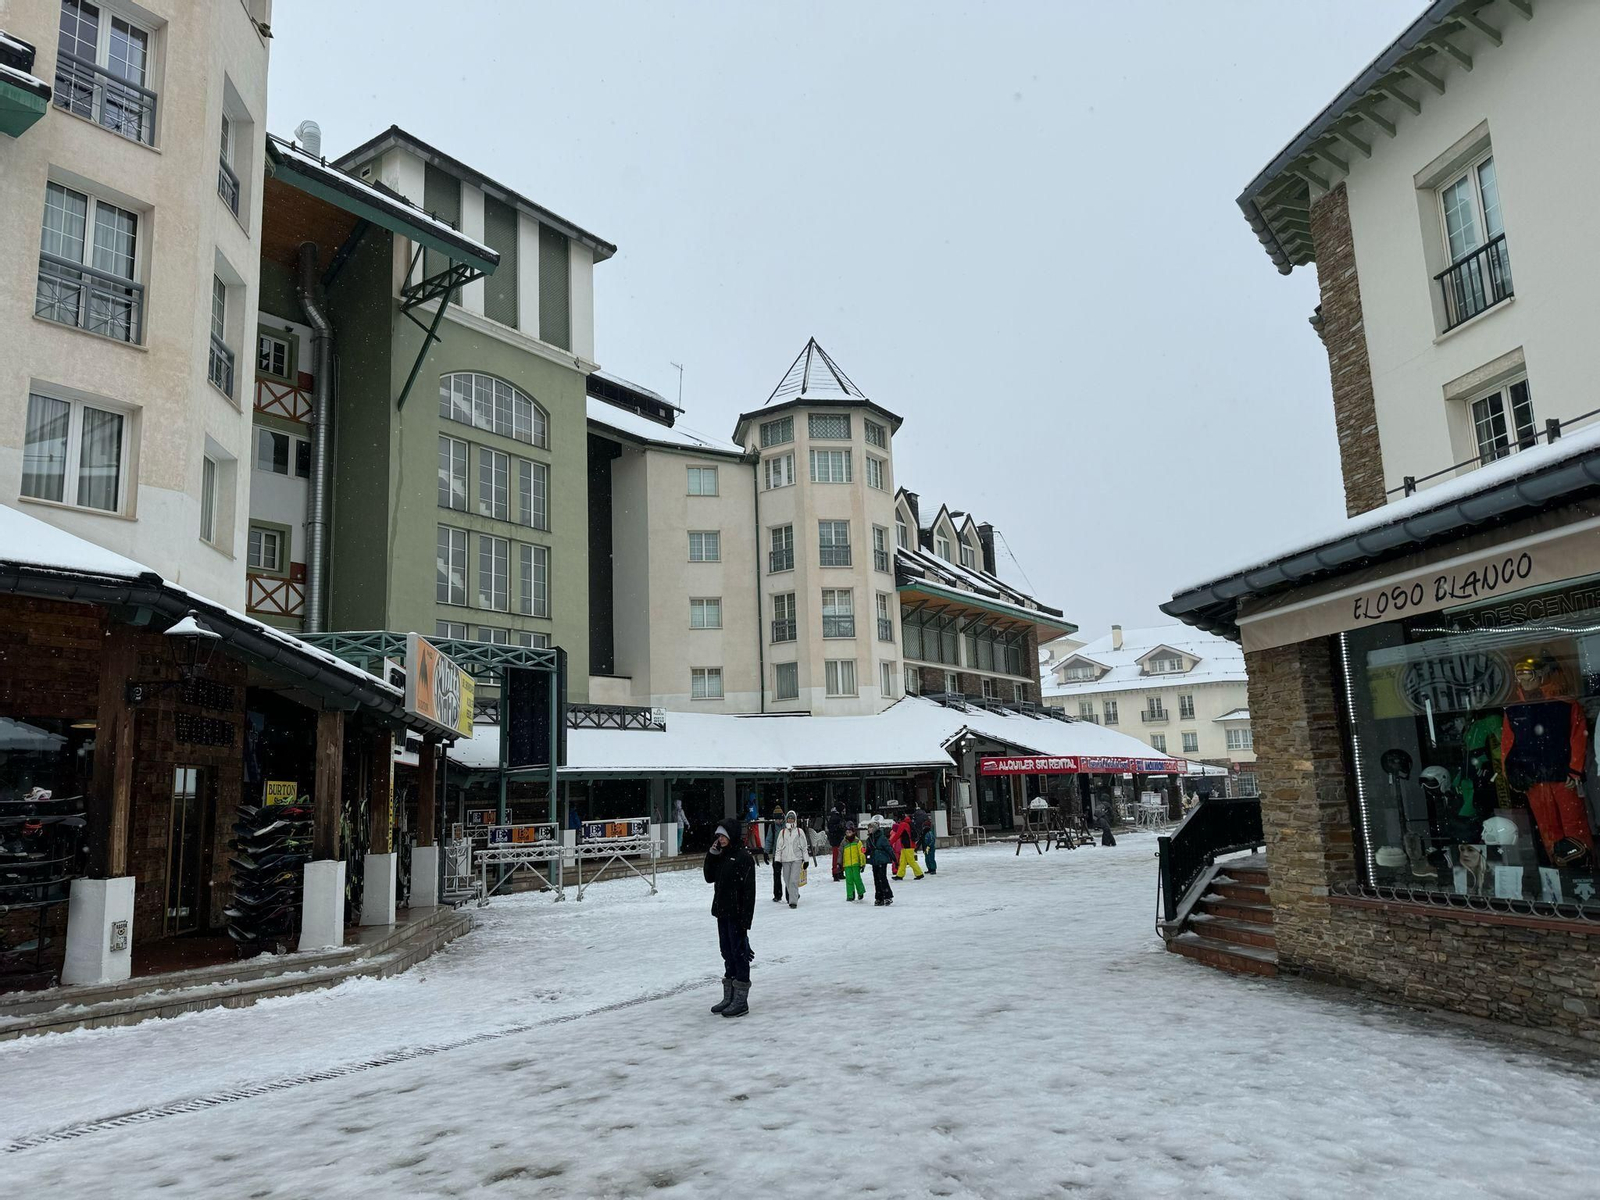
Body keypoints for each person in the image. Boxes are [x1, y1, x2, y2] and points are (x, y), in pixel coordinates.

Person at [704, 819, 756, 1018]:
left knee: (739, 953)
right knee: (726, 951)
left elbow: (749, 892)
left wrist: (745, 921)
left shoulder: (743, 857)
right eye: (718, 836)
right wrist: (711, 855)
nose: (721, 839)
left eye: (724, 835)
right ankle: (730, 995)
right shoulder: (722, 855)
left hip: (737, 914)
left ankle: (741, 1000)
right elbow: (709, 877)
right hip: (722, 912)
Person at [773, 809, 809, 907]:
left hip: (796, 859)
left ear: (795, 820)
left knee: (793, 880)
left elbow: (804, 847)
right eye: (789, 818)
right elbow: (778, 848)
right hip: (785, 860)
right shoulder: (782, 832)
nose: (790, 820)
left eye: (792, 818)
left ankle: (793, 902)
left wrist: (806, 860)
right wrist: (777, 860)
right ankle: (795, 894)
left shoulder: (799, 832)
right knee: (787, 880)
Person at [867, 818, 895, 906]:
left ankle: (887, 896)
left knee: (882, 878)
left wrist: (894, 858)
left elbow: (888, 848)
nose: (869, 829)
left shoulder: (882, 838)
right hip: (874, 860)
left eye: (871, 828)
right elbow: (868, 850)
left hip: (882, 860)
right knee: (876, 879)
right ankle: (879, 897)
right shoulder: (869, 839)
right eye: (869, 828)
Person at [892, 812, 924, 881]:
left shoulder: (903, 824)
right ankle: (899, 875)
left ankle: (919, 874)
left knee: (911, 861)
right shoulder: (908, 823)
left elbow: (897, 835)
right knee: (902, 861)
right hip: (907, 845)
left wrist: (890, 842)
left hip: (907, 846)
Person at [840, 822, 866, 901]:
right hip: (847, 864)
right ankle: (850, 895)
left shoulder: (857, 842)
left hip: (855, 864)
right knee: (849, 880)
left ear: (853, 832)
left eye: (850, 832)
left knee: (857, 879)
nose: (848, 834)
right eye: (847, 832)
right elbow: (840, 853)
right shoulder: (843, 842)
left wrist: (862, 864)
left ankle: (860, 891)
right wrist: (839, 863)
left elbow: (861, 853)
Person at [765, 804, 785, 902]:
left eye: (779, 819)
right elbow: (769, 840)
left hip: (787, 854)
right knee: (776, 875)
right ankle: (777, 894)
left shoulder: (787, 825)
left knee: (788, 875)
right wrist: (766, 852)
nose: (778, 821)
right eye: (776, 819)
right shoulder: (772, 827)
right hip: (776, 854)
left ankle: (791, 894)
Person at [826, 798, 849, 881]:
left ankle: (839, 872)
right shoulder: (835, 817)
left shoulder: (836, 815)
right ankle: (836, 873)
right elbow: (831, 828)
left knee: (840, 856)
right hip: (836, 840)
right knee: (837, 857)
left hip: (838, 839)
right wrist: (839, 827)